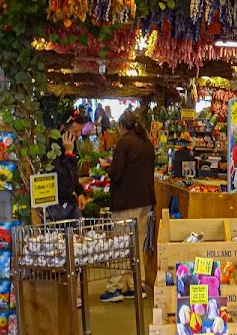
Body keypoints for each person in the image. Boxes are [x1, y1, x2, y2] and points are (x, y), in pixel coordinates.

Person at [100, 109, 157, 303]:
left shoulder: (124, 143)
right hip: (145, 201)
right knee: (137, 244)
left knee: (121, 244)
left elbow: (117, 173)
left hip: (126, 202)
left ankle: (114, 288)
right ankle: (135, 285)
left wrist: (106, 166)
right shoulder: (147, 144)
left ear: (122, 126)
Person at [47, 111, 89, 222]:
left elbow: (73, 174)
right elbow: (62, 176)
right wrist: (69, 154)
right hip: (56, 204)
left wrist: (80, 192)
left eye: (80, 130)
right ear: (63, 129)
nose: (79, 134)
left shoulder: (71, 144)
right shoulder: (52, 147)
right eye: (75, 131)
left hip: (69, 202)